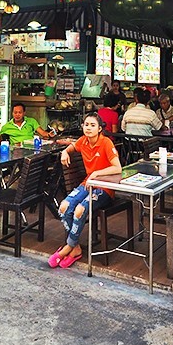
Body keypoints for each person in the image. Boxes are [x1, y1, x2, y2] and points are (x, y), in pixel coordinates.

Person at [50, 112, 122, 268]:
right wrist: (64, 152)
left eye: (93, 125)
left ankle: (68, 247)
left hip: (105, 188)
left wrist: (96, 173)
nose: (89, 128)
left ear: (100, 129)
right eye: (86, 124)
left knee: (80, 209)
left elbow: (118, 168)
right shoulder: (83, 141)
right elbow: (71, 147)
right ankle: (75, 247)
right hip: (87, 184)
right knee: (63, 208)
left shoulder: (106, 143)